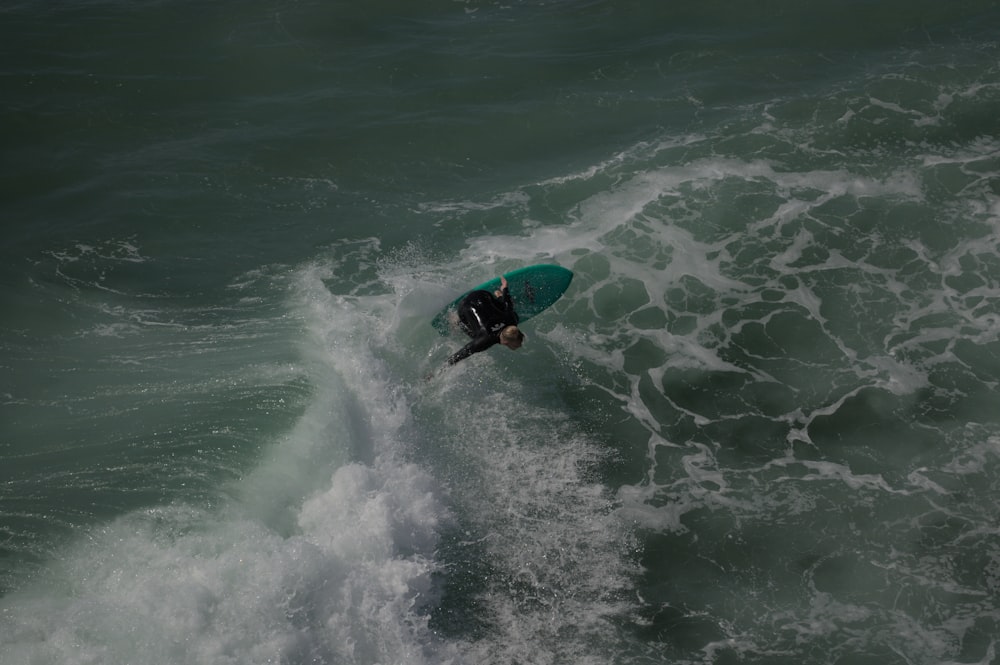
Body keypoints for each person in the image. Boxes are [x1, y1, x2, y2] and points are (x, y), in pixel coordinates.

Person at [446, 275, 525, 366]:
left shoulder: (512, 320)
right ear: (506, 343)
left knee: (509, 312)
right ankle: (457, 320)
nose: (520, 346)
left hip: (483, 294)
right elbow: (460, 354)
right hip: (465, 304)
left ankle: (498, 295)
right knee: (475, 335)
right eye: (515, 345)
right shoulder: (485, 340)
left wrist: (504, 288)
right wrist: (440, 370)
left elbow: (508, 305)